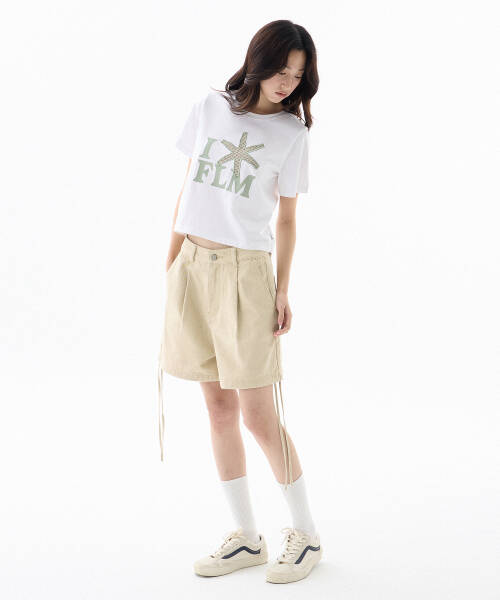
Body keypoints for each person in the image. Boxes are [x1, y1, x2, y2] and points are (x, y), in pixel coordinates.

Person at [157, 20, 322, 584]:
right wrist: (172, 262)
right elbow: (189, 186)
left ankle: (306, 533)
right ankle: (247, 537)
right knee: (218, 409)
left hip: (245, 274)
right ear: (258, 61)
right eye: (280, 70)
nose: (287, 82)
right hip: (193, 265)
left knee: (259, 415)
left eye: (297, 75)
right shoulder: (209, 108)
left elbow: (288, 219)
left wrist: (281, 289)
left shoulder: (291, 134)